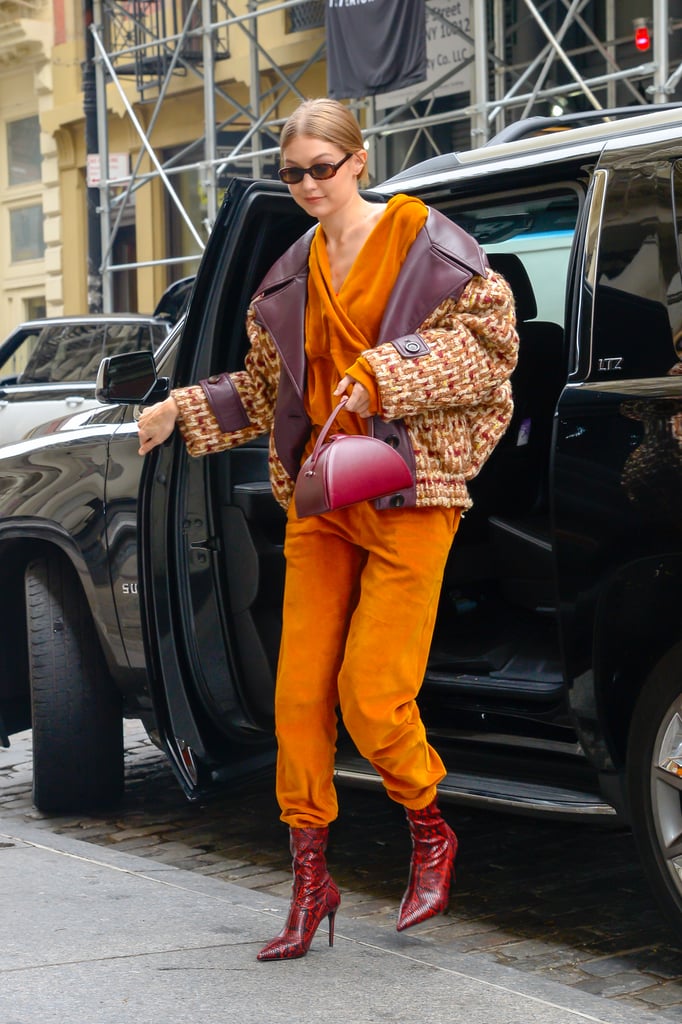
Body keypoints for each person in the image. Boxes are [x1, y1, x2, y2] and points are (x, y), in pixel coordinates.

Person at [137, 98, 518, 962]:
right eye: (293, 173)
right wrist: (180, 407)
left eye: (322, 167)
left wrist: (382, 373)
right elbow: (270, 391)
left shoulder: (429, 246)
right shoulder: (286, 275)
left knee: (373, 697)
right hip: (322, 502)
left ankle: (430, 827)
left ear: (358, 161)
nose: (309, 184)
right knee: (298, 702)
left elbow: (490, 352)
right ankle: (312, 879)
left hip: (410, 491)